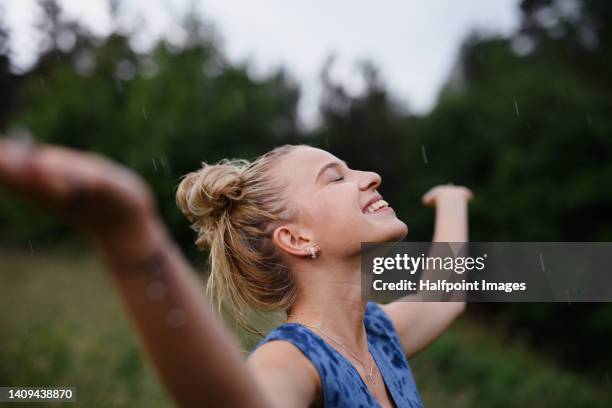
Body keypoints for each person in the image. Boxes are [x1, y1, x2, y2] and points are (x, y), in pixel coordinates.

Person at [0, 138, 473, 407]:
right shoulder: (293, 360)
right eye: (336, 177)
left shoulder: (379, 334)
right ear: (297, 239)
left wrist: (451, 199)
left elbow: (446, 293)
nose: (370, 176)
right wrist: (129, 234)